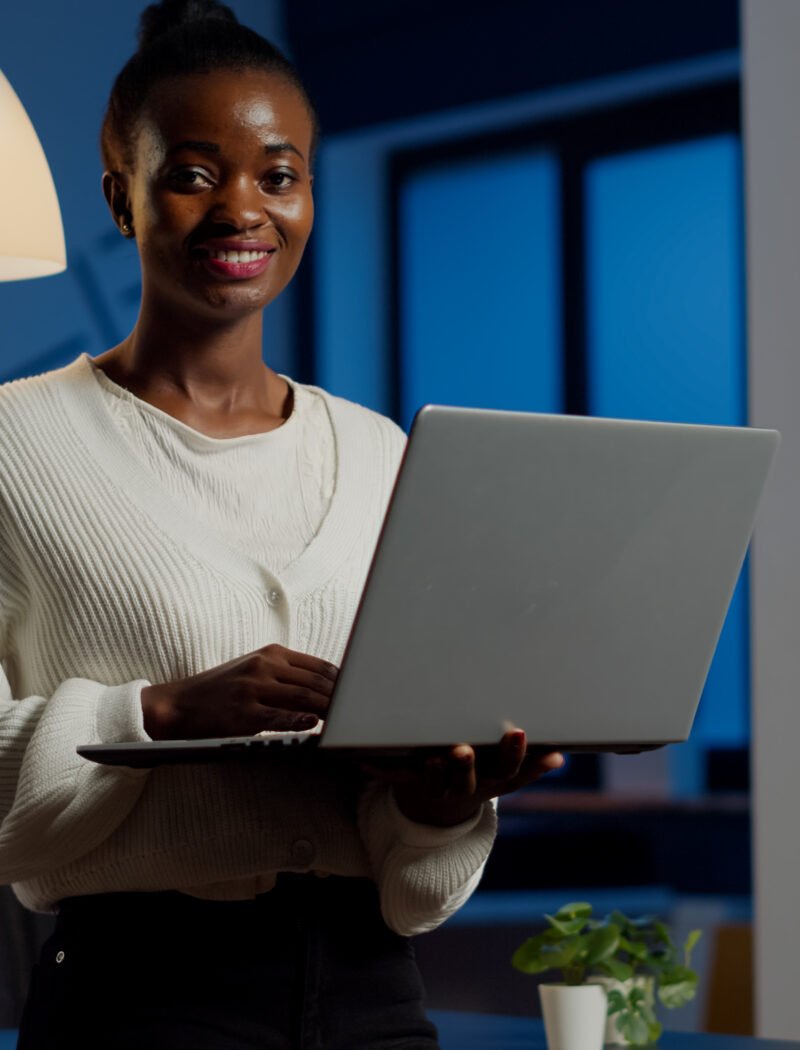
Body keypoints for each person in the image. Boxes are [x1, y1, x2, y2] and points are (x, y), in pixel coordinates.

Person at [0, 2, 563, 1047]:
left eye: (278, 173)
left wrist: (441, 799)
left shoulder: (382, 452)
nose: (242, 210)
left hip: (374, 1001)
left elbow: (410, 867)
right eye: (193, 173)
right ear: (122, 196)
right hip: (139, 1003)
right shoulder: (14, 443)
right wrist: (161, 711)